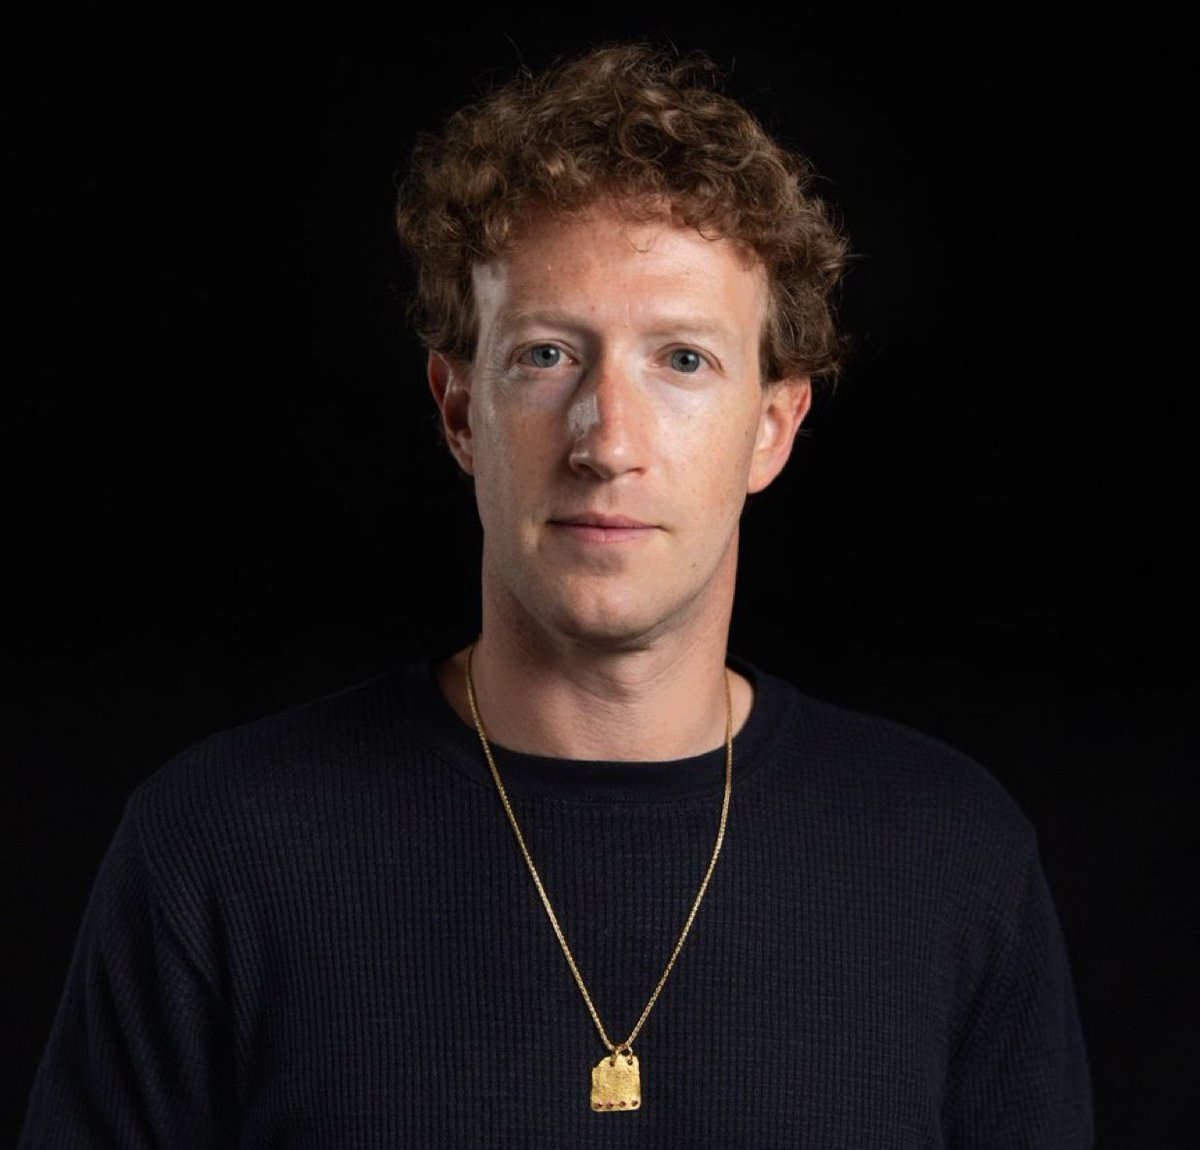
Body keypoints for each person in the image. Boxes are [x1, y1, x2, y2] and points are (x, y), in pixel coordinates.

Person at [19, 41, 1094, 1147]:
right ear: (457, 411)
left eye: (681, 360)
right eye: (545, 355)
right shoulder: (219, 847)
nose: (607, 441)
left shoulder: (953, 854)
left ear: (773, 426)